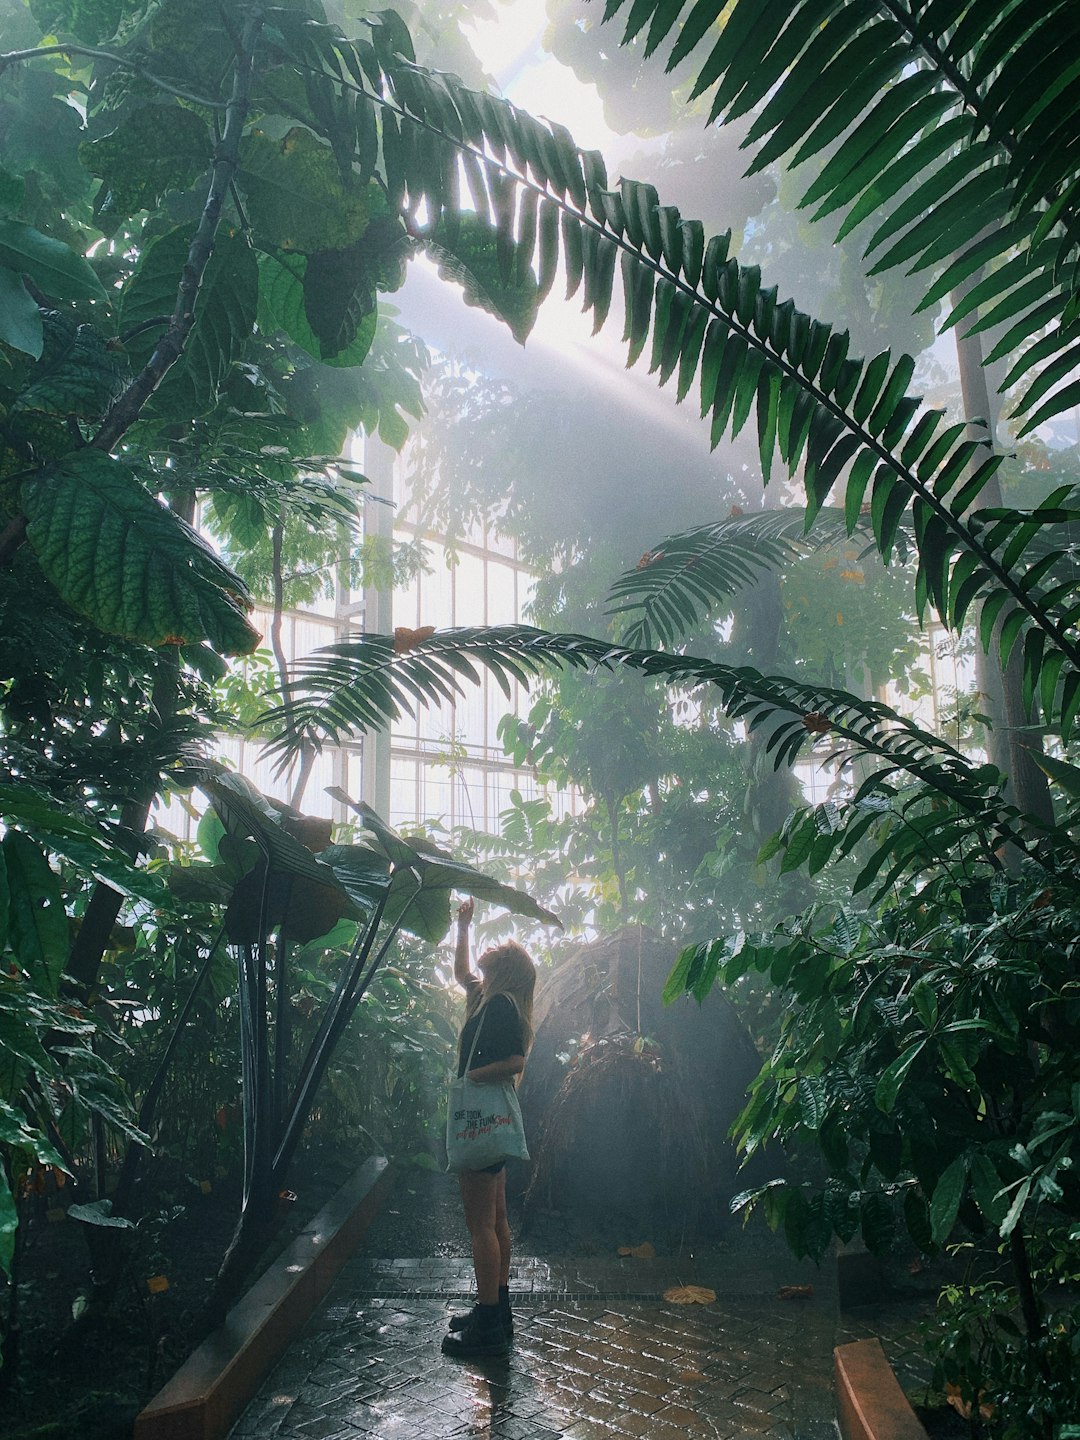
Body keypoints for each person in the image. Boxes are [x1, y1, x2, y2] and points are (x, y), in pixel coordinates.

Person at [442, 897, 536, 1358]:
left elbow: (516, 1058)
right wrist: (463, 927)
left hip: (479, 1123)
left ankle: (488, 1328)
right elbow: (462, 972)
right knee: (496, 1220)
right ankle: (495, 1312)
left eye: (499, 949)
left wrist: (476, 1075)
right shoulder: (489, 997)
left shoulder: (499, 1005)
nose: (491, 948)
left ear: (507, 967)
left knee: (481, 1224)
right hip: (491, 1127)